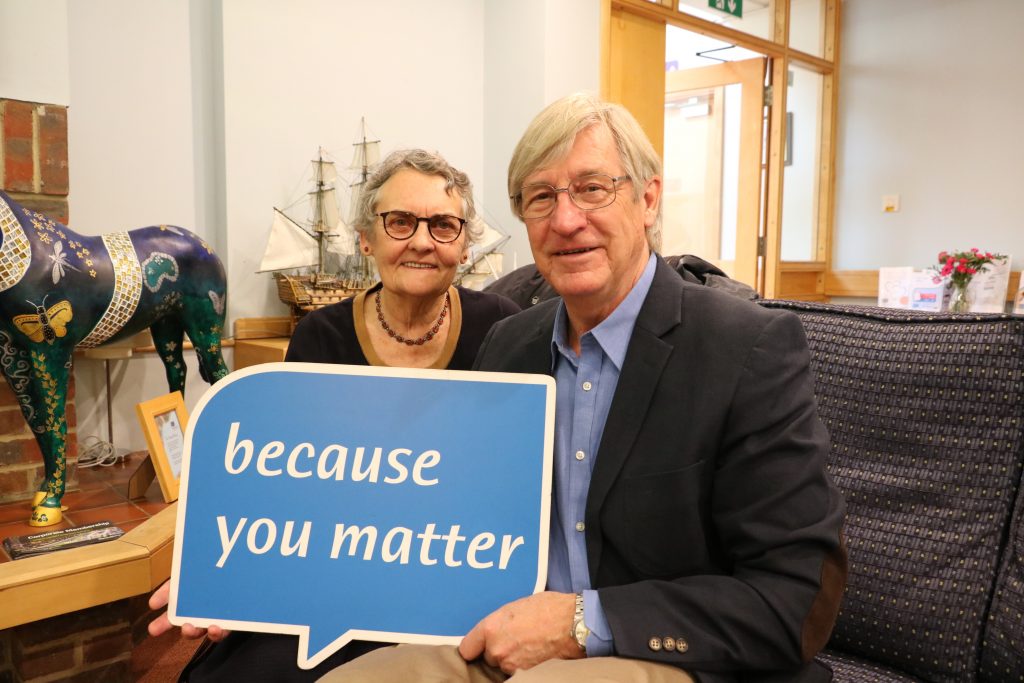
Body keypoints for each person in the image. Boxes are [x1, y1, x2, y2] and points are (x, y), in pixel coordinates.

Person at [317, 93, 847, 682]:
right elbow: (445, 531)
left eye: (593, 188)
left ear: (648, 200)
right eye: (541, 198)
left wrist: (580, 622)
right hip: (502, 638)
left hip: (671, 655)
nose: (566, 221)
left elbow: (795, 598)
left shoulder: (749, 348)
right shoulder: (507, 348)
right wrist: (260, 590)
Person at [146, 148, 520, 681]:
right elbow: (286, 483)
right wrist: (220, 573)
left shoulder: (505, 329)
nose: (420, 240)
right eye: (400, 222)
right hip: (333, 578)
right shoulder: (320, 336)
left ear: (463, 243)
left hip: (455, 586)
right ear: (367, 237)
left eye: (443, 225)